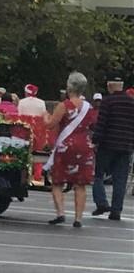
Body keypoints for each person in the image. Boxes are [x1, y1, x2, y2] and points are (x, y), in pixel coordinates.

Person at [42, 72, 97, 227]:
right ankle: (78, 219)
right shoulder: (88, 107)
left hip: (65, 146)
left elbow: (50, 125)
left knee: (57, 181)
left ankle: (60, 213)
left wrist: (45, 116)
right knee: (80, 184)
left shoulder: (64, 105)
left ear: (69, 87)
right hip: (84, 145)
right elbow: (93, 125)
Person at [91, 78, 133, 221]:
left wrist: (95, 141)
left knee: (98, 175)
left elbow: (101, 123)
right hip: (125, 146)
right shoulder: (132, 102)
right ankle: (116, 210)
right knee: (120, 179)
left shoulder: (108, 101)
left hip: (107, 144)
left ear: (110, 86)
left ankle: (101, 202)